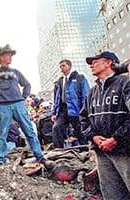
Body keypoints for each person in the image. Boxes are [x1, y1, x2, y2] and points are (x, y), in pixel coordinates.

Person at [80, 51, 130, 199]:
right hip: (102, 152)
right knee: (112, 193)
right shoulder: (92, 92)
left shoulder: (125, 83)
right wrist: (93, 136)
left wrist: (116, 138)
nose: (91, 65)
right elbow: (83, 118)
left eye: (96, 61)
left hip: (124, 149)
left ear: (109, 62)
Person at [0, 44, 45, 165]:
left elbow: (27, 85)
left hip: (18, 104)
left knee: (29, 131)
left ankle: (39, 155)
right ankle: (1, 158)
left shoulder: (16, 72)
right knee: (2, 133)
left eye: (10, 55)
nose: (10, 57)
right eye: (8, 55)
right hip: (3, 106)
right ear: (1, 57)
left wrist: (23, 98)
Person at [52, 59, 90, 148]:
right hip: (63, 110)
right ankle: (59, 150)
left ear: (69, 66)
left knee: (80, 131)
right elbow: (56, 99)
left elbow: (86, 95)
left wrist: (85, 110)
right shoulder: (59, 81)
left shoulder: (79, 78)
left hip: (77, 109)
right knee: (56, 128)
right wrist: (54, 112)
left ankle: (86, 150)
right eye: (60, 66)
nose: (61, 68)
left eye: (63, 66)